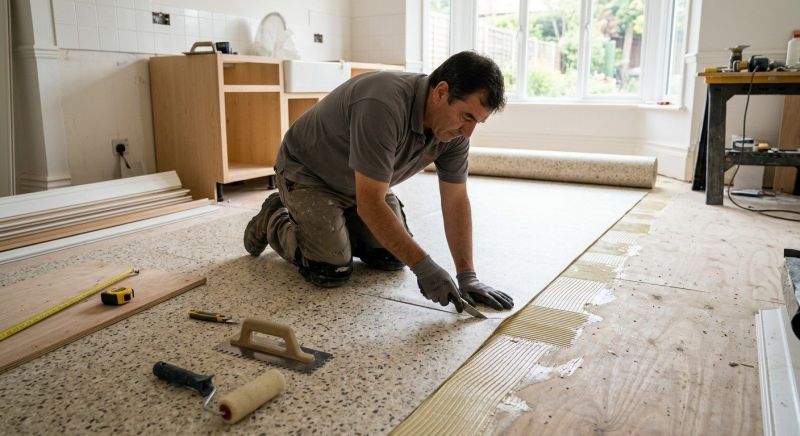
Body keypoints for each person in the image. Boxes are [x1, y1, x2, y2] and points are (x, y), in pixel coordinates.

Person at [244, 51, 514, 313]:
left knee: (392, 257)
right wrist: (425, 267)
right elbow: (371, 204)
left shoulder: (455, 134)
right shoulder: (383, 104)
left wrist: (467, 275)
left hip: (364, 185)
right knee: (330, 269)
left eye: (478, 122)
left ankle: (338, 222)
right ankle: (274, 217)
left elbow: (455, 199)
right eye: (467, 117)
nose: (468, 133)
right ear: (441, 92)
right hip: (309, 175)